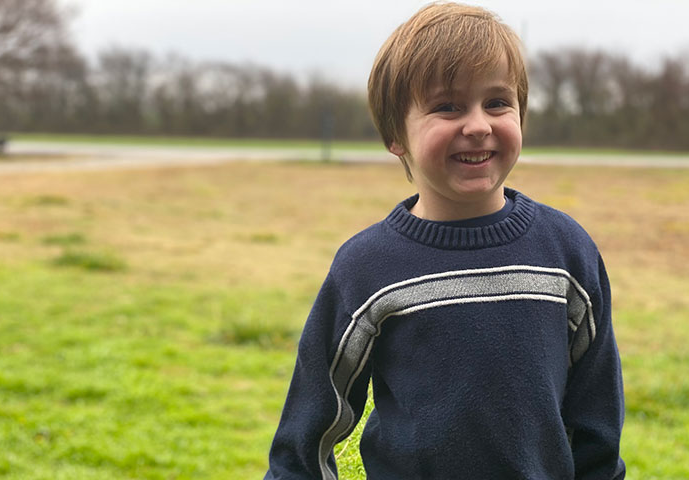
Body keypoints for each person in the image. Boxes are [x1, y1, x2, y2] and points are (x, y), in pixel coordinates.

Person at [264, 2, 625, 479]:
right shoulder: (366, 266)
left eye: (497, 102)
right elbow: (310, 427)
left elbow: (595, 413)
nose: (478, 125)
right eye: (447, 106)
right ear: (396, 135)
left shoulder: (566, 252)